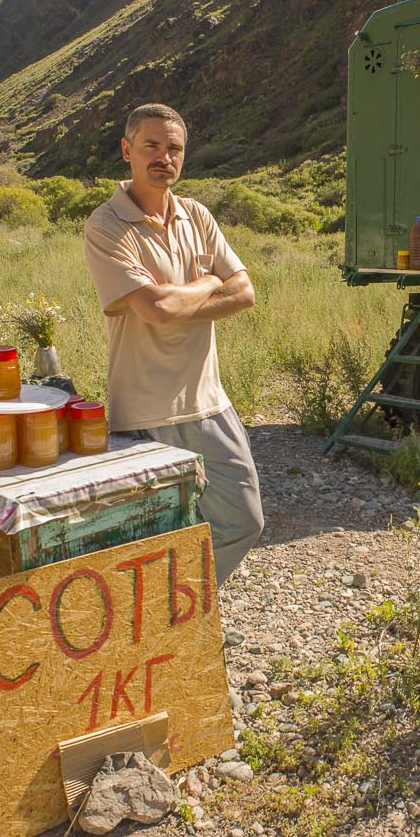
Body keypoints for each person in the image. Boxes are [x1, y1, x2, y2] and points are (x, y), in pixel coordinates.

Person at [83, 102, 263, 584]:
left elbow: (245, 291)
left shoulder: (198, 215)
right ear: (127, 151)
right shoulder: (107, 225)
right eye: (152, 146)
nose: (164, 157)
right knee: (154, 537)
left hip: (209, 402)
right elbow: (155, 310)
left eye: (174, 148)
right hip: (146, 409)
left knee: (244, 521)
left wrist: (181, 298)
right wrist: (208, 284)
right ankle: (172, 633)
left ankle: (188, 613)